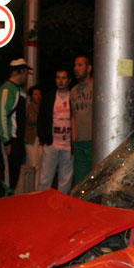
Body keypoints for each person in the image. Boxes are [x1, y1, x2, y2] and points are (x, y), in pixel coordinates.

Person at [0, 58, 31, 194]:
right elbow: (1, 115)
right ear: (21, 71)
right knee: (8, 177)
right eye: (26, 71)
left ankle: (8, 198)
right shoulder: (6, 90)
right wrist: (6, 141)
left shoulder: (20, 91)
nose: (27, 75)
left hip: (18, 139)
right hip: (11, 139)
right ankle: (4, 202)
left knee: (14, 175)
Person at [37, 68, 74, 193]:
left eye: (64, 78)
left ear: (69, 80)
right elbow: (41, 119)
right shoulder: (48, 97)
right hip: (51, 144)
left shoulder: (74, 96)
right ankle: (42, 203)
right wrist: (44, 140)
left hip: (68, 145)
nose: (61, 81)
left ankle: (62, 204)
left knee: (65, 181)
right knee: (45, 179)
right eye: (58, 77)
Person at [70, 54, 94, 185]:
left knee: (94, 181)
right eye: (75, 65)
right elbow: (73, 116)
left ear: (88, 68)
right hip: (79, 143)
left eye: (80, 65)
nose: (76, 68)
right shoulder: (73, 91)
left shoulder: (96, 86)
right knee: (80, 182)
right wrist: (74, 139)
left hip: (93, 141)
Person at [24, 85, 43, 192]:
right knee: (33, 164)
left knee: (40, 165)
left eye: (39, 94)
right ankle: (31, 189)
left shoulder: (42, 107)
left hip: (40, 139)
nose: (38, 96)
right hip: (30, 139)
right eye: (35, 94)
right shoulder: (28, 107)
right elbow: (31, 120)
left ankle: (36, 189)